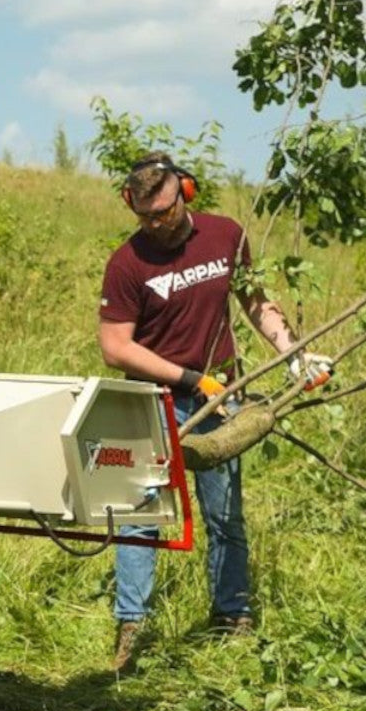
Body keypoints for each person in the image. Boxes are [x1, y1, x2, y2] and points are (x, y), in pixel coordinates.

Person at [99, 152, 330, 672]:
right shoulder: (127, 263)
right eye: (147, 216)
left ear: (187, 191)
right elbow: (115, 347)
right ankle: (131, 629)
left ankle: (233, 617)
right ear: (130, 207)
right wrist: (186, 378)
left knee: (224, 514)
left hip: (219, 399)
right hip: (152, 402)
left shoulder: (226, 235)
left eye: (165, 211)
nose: (158, 224)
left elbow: (255, 303)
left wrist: (294, 358)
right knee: (140, 517)